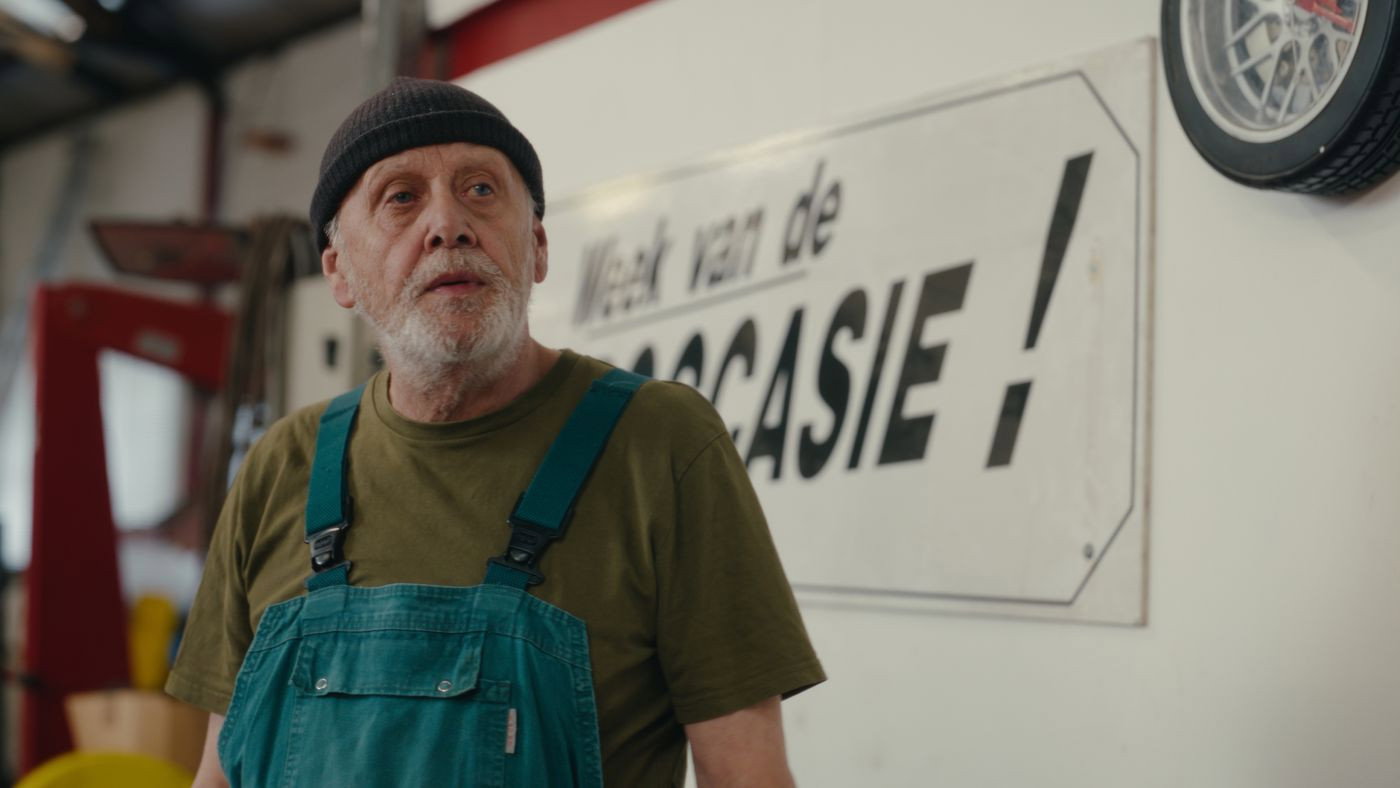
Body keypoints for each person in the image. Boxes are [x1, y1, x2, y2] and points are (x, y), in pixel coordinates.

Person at [166, 77, 824, 787]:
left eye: (480, 189)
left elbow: (747, 773)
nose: (447, 224)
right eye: (401, 197)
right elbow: (220, 770)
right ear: (340, 271)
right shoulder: (281, 467)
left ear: (536, 245)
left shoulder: (658, 444)